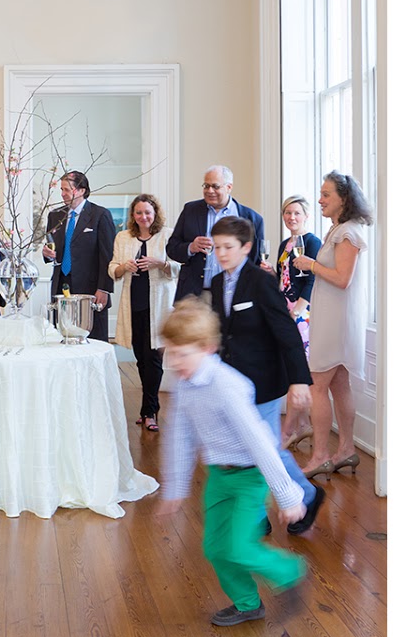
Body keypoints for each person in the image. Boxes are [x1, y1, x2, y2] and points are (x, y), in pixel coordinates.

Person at [155, 298, 307, 626]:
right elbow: (180, 436)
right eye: (171, 353)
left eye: (182, 354)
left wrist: (287, 495)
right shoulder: (185, 385)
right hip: (219, 476)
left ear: (207, 348)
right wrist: (175, 488)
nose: (175, 362)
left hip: (250, 477)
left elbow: (260, 443)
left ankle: (290, 571)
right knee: (214, 548)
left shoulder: (226, 386)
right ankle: (248, 603)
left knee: (239, 547)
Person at [207, 216, 324, 535]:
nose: (221, 253)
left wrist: (299, 380)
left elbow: (286, 330)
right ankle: (258, 515)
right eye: (217, 247)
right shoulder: (216, 284)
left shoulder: (261, 281)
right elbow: (222, 332)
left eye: (228, 247)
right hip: (232, 383)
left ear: (246, 247)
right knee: (244, 449)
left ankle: (306, 495)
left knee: (265, 449)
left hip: (264, 381)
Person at [296, 172, 373, 477]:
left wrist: (311, 265)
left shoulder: (348, 233)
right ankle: (346, 450)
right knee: (339, 384)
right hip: (332, 317)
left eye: (326, 194)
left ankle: (320, 456)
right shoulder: (338, 230)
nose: (320, 200)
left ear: (344, 198)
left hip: (337, 321)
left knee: (317, 386)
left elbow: (343, 279)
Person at [109, 194, 181, 431]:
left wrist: (160, 263)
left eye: (147, 212)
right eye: (139, 212)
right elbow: (113, 268)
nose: (143, 217)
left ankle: (149, 411)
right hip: (134, 304)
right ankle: (149, 406)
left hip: (158, 305)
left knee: (153, 358)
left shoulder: (168, 235)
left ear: (155, 213)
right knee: (140, 358)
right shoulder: (123, 237)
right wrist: (123, 267)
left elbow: (180, 268)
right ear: (133, 215)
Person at [266, 195, 322, 449]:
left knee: (297, 368)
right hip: (284, 310)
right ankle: (301, 425)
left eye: (297, 213)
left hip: (301, 313)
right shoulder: (284, 244)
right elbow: (284, 277)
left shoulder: (312, 242)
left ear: (306, 216)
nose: (291, 217)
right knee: (290, 367)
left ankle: (289, 430)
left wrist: (299, 308)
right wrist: (271, 273)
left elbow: (312, 278)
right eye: (287, 213)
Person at [165, 165, 265, 304]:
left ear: (229, 187)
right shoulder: (190, 210)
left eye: (215, 186)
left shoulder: (252, 218)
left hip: (234, 295)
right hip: (194, 295)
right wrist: (190, 247)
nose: (209, 191)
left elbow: (255, 260)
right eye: (206, 186)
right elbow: (172, 248)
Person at [41, 170, 116, 341]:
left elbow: (108, 256)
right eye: (61, 189)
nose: (62, 194)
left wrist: (104, 288)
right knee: (63, 339)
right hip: (61, 288)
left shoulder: (100, 215)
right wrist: (47, 254)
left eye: (67, 189)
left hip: (91, 291)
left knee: (93, 341)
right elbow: (52, 248)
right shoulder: (55, 216)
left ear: (82, 190)